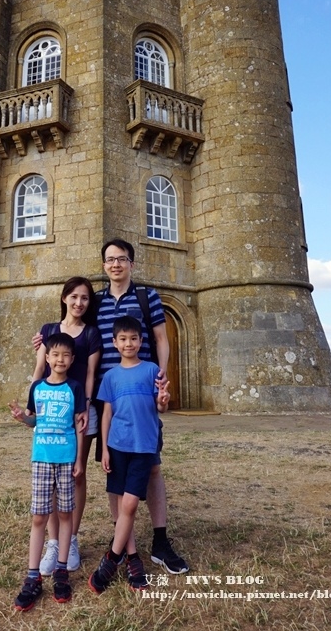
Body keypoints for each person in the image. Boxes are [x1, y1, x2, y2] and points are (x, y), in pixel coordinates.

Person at [95, 238, 190, 574]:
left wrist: (161, 376)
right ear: (104, 265)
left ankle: (160, 542)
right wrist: (46, 339)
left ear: (131, 264)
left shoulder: (147, 296)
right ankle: (123, 541)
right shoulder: (97, 301)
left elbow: (161, 338)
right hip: (110, 396)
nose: (115, 264)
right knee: (114, 471)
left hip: (142, 393)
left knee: (152, 467)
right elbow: (81, 336)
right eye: (110, 259)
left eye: (121, 258)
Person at [88, 316, 171, 593]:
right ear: (114, 343)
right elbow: (106, 414)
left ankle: (112, 558)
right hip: (117, 446)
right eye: (123, 339)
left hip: (143, 447)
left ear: (141, 341)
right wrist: (105, 449)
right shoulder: (111, 376)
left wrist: (163, 401)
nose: (128, 344)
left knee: (131, 504)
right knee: (122, 503)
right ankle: (132, 557)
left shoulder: (151, 370)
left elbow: (160, 407)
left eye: (133, 338)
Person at [9, 332, 86, 612]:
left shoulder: (75, 388)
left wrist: (79, 460)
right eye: (55, 354)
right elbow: (34, 421)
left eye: (65, 355)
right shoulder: (37, 387)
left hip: (66, 459)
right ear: (47, 357)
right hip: (41, 458)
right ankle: (33, 576)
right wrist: (22, 418)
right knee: (39, 516)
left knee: (65, 514)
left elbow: (79, 425)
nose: (60, 359)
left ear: (72, 359)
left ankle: (62, 570)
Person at [31, 277, 101, 573]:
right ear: (64, 298)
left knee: (76, 474)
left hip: (79, 409)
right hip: (50, 410)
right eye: (74, 296)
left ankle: (70, 539)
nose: (79, 303)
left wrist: (84, 407)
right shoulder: (48, 331)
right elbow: (39, 368)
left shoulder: (92, 333)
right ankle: (53, 542)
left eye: (84, 298)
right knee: (49, 474)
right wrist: (32, 405)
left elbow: (90, 374)